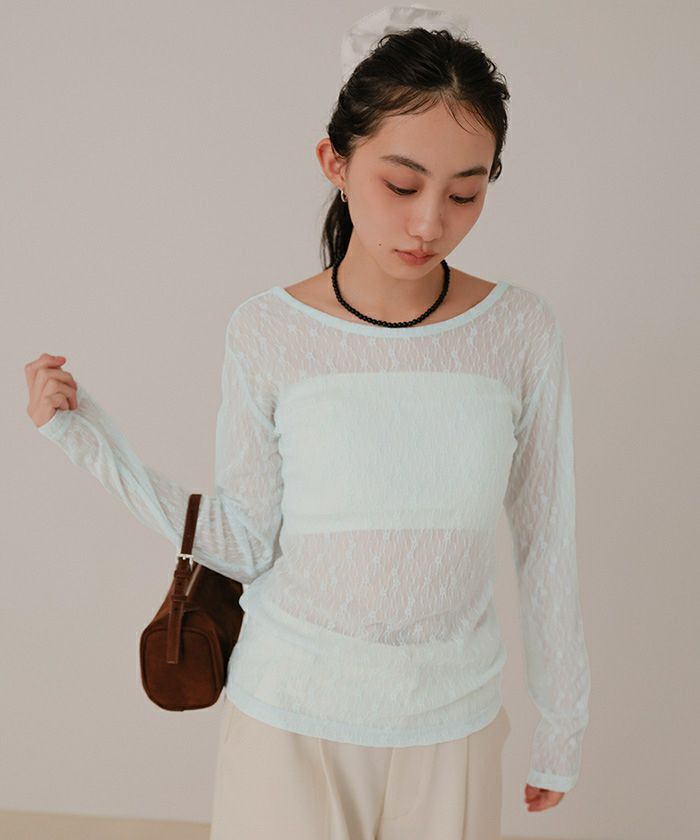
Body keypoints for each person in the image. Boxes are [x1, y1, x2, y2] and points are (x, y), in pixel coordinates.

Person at [25, 5, 591, 838]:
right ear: (336, 161)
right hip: (288, 721)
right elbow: (246, 541)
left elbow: (547, 539)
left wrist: (563, 722)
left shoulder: (520, 331)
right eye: (402, 185)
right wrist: (89, 444)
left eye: (465, 193)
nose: (430, 222)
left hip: (454, 727)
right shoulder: (267, 330)